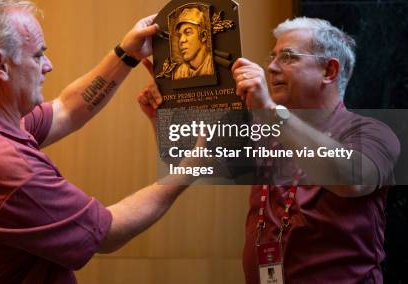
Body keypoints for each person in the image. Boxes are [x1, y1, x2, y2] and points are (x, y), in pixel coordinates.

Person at [0, 0, 202, 284]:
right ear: (0, 65)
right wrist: (194, 165)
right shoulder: (0, 164)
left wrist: (127, 54)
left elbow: (67, 111)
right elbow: (107, 233)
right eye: (37, 55)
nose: (48, 66)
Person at [138, 17, 400, 283]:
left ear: (329, 71)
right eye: (272, 57)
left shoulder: (372, 132)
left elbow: (352, 181)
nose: (271, 68)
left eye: (288, 57)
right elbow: (194, 165)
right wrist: (163, 116)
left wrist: (270, 112)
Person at [171, 6, 214, 79]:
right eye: (179, 35)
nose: (181, 40)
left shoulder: (212, 66)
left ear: (203, 36)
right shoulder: (179, 73)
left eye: (188, 32)